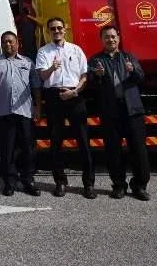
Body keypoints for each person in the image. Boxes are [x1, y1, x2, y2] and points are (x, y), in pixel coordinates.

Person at [36, 16, 96, 199]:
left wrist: (75, 92)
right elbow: (43, 77)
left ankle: (88, 185)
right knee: (56, 142)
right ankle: (60, 182)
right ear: (48, 31)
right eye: (52, 29)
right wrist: (52, 68)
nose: (56, 31)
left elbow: (85, 76)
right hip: (53, 97)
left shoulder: (76, 50)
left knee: (84, 142)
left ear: (65, 29)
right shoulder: (43, 52)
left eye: (59, 28)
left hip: (74, 96)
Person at [90, 24, 150, 201]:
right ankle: (119, 185)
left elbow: (141, 77)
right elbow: (91, 83)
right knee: (113, 151)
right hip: (110, 112)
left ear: (119, 38)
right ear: (102, 40)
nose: (111, 40)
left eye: (113, 36)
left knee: (139, 150)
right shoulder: (96, 60)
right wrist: (98, 75)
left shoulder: (128, 57)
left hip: (132, 111)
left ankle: (139, 186)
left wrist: (134, 71)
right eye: (107, 37)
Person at [0, 31, 40, 196]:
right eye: (5, 42)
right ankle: (10, 182)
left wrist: (37, 107)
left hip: (25, 112)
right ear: (1, 44)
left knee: (28, 149)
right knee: (7, 149)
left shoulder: (28, 62)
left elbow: (35, 86)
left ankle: (28, 180)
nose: (8, 45)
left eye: (11, 42)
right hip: (4, 112)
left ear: (17, 43)